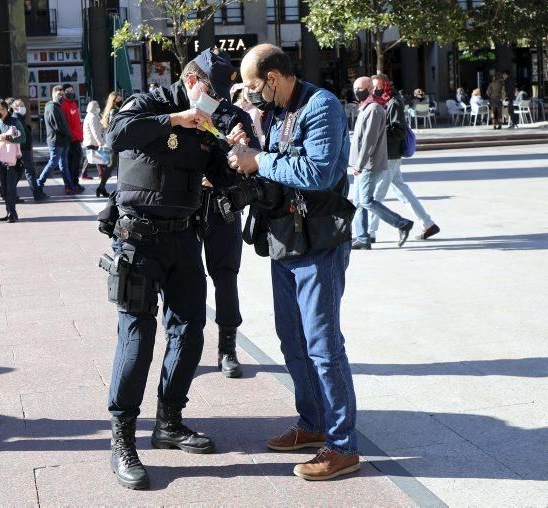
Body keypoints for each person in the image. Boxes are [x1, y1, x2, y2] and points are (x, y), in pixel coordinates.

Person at [103, 48, 240, 490]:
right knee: (137, 336)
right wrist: (177, 119)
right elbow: (117, 135)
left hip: (184, 239)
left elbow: (226, 178)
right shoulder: (148, 104)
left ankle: (170, 421)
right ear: (188, 76)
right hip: (138, 240)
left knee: (190, 330)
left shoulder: (209, 126)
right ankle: (122, 438)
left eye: (219, 94)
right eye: (208, 89)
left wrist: (238, 152)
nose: (213, 99)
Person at [227, 43, 360, 480]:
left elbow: (319, 172)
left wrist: (259, 160)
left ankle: (342, 447)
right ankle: (313, 422)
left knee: (323, 346)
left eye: (253, 86)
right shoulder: (276, 112)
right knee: (291, 339)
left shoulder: (321, 106)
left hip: (319, 242)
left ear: (274, 78)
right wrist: (248, 147)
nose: (249, 94)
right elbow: (275, 164)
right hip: (284, 239)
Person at [201, 78, 262, 379]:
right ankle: (183, 347)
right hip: (185, 207)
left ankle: (228, 349)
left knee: (225, 277)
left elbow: (251, 165)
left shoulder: (238, 118)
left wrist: (232, 159)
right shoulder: (181, 111)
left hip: (222, 207)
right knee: (181, 279)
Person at [369, 74, 440, 242]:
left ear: (385, 85)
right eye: (373, 87)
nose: (374, 90)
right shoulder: (386, 101)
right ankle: (428, 224)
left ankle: (369, 233)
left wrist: (378, 136)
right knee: (402, 191)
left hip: (390, 155)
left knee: (376, 195)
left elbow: (398, 131)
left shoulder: (393, 102)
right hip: (389, 154)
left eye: (377, 87)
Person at [348, 76, 414, 250]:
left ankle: (402, 224)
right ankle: (362, 238)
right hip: (364, 163)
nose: (356, 92)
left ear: (370, 89)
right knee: (359, 201)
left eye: (360, 88)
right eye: (355, 89)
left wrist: (359, 165)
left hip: (369, 164)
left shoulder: (374, 109)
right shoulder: (366, 108)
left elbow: (369, 140)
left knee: (367, 200)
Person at [0, 98, 26, 222]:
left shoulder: (15, 122)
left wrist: (8, 138)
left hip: (12, 160)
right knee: (4, 189)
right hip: (0, 160)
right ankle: (8, 212)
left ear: (5, 110)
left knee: (10, 188)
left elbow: (23, 138)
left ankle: (13, 213)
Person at [37, 85, 76, 194]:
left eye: (63, 94)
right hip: (56, 141)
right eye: (59, 94)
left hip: (63, 141)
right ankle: (39, 182)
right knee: (53, 162)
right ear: (53, 94)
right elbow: (57, 126)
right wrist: (69, 134)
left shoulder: (58, 106)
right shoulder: (52, 107)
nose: (62, 96)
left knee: (63, 164)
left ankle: (69, 186)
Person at [11, 98, 48, 202]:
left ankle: (7, 191)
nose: (23, 108)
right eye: (21, 105)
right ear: (15, 108)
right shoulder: (15, 119)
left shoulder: (19, 118)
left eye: (23, 105)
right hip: (23, 150)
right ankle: (37, 194)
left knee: (20, 172)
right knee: (30, 172)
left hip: (24, 150)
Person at [82, 100, 111, 197]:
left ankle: (85, 174)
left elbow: (98, 128)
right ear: (93, 107)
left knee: (91, 159)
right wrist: (100, 142)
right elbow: (95, 131)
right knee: (98, 160)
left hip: (90, 141)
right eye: (97, 106)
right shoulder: (92, 116)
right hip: (92, 141)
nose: (99, 107)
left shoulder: (92, 116)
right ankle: (101, 175)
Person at [60, 84, 87, 187]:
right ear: (63, 93)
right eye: (68, 91)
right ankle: (73, 182)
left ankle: (74, 182)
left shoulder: (74, 104)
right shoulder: (63, 105)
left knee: (75, 160)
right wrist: (71, 135)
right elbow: (65, 123)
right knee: (73, 161)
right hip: (70, 138)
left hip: (77, 137)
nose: (71, 92)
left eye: (72, 90)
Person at [101, 91, 122, 182]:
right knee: (112, 165)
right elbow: (115, 126)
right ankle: (101, 187)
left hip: (114, 141)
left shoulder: (113, 110)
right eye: (119, 98)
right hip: (116, 141)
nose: (121, 99)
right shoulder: (114, 111)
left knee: (115, 165)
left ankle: (101, 188)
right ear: (114, 100)